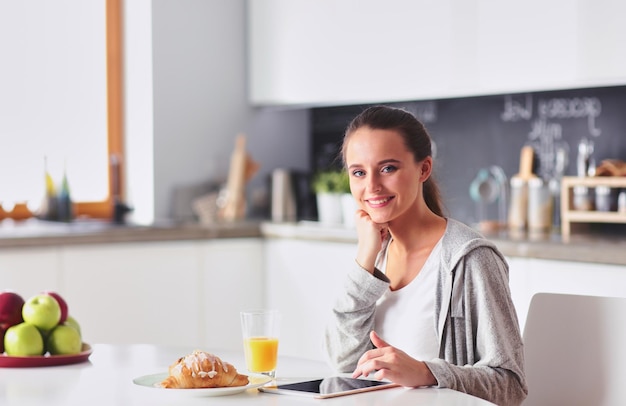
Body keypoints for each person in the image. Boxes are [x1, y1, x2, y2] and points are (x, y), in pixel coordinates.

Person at [323, 105, 528, 405]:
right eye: (358, 172)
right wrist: (364, 261)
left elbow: (510, 386)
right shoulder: (376, 256)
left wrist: (427, 372)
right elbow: (343, 366)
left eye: (388, 168)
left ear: (424, 168)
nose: (372, 186)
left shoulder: (469, 259)